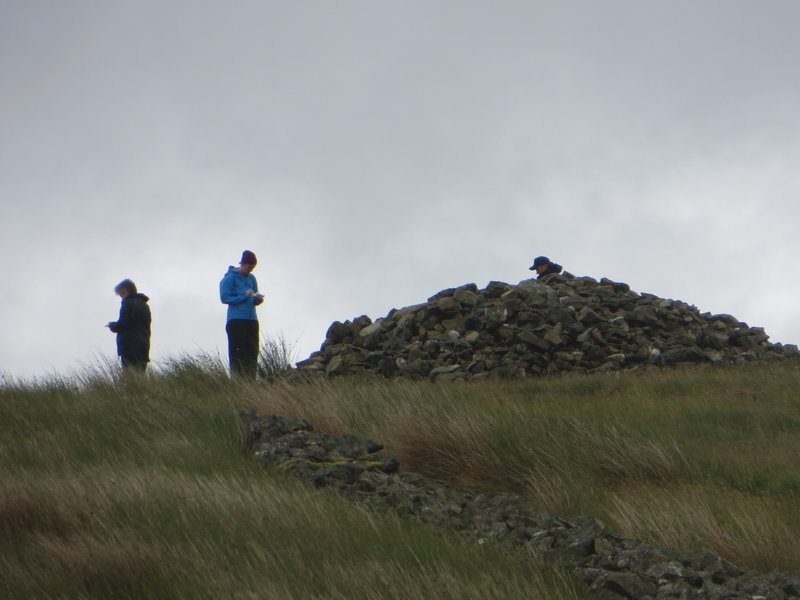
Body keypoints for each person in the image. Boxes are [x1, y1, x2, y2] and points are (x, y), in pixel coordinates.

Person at [220, 250, 264, 379]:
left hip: (252, 319)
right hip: (236, 319)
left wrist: (257, 300)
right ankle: (237, 380)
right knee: (238, 351)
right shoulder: (229, 278)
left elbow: (254, 296)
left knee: (252, 351)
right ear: (243, 264)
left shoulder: (252, 278)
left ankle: (251, 380)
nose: (250, 270)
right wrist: (244, 296)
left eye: (253, 268)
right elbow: (224, 298)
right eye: (249, 267)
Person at [106, 279, 151, 371]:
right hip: (144, 347)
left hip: (130, 347)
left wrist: (112, 325)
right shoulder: (144, 305)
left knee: (129, 378)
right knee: (140, 377)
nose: (121, 298)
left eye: (121, 294)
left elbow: (122, 324)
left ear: (125, 291)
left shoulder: (127, 303)